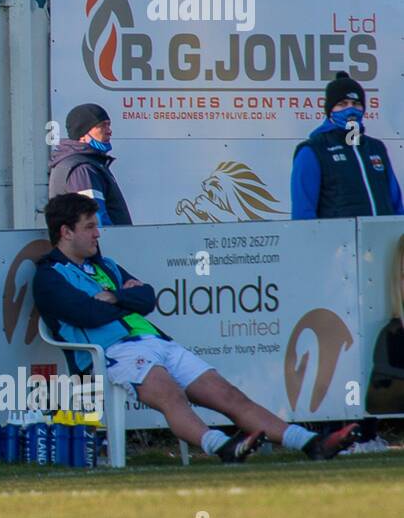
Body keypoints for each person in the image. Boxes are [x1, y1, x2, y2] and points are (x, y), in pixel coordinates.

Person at [32, 192, 361, 462]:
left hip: (154, 340)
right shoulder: (49, 276)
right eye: (90, 227)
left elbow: (147, 298)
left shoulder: (104, 265)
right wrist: (120, 300)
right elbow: (87, 315)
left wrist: (113, 298)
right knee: (171, 393)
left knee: (228, 394)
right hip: (110, 353)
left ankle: (311, 443)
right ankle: (222, 447)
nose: (98, 233)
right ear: (66, 231)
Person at [291, 70, 403, 219]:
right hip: (338, 241)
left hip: (381, 238)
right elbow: (303, 212)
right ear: (330, 109)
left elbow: (396, 204)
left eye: (356, 104)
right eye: (342, 104)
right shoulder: (312, 150)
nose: (350, 109)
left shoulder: (376, 148)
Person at [47, 103, 131, 226]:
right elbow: (95, 221)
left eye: (109, 125)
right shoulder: (83, 169)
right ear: (83, 133)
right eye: (102, 126)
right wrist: (112, 242)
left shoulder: (87, 164)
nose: (109, 131)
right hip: (104, 244)